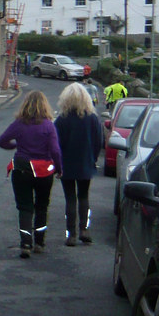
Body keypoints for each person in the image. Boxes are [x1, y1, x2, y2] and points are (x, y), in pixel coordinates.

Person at [0, 91, 63, 258]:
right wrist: (59, 168)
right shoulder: (49, 125)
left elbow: (1, 140)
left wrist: (13, 146)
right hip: (43, 171)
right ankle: (39, 242)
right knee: (42, 206)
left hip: (21, 169)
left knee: (25, 207)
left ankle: (26, 243)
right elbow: (55, 150)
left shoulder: (19, 124)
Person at [55, 83, 104, 246]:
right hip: (86, 163)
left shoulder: (61, 120)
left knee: (70, 199)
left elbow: (56, 144)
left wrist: (57, 164)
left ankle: (71, 235)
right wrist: (93, 158)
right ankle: (84, 229)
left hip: (66, 164)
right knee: (84, 196)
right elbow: (99, 141)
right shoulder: (92, 118)